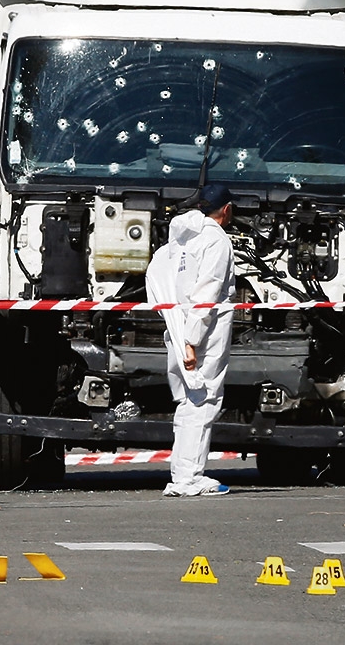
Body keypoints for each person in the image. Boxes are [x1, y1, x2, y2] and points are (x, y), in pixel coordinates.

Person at [145, 184, 236, 497]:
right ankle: (190, 478)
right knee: (204, 399)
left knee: (187, 401)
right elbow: (208, 293)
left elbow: (158, 277)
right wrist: (192, 342)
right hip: (203, 333)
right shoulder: (216, 240)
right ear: (226, 210)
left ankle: (183, 473)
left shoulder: (180, 239)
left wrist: (181, 333)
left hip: (178, 325)